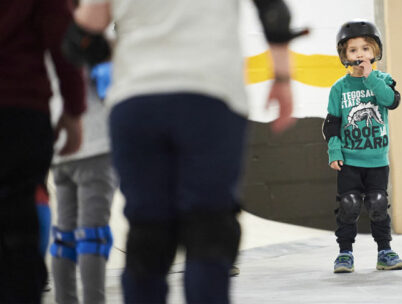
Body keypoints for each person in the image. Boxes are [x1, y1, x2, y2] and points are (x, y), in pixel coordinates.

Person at [64, 0, 305, 303]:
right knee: (209, 228)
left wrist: (112, 51)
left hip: (137, 100)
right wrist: (282, 79)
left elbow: (82, 34)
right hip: (209, 94)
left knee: (148, 232)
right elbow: (273, 11)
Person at [0, 0, 85, 302]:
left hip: (22, 113)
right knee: (20, 223)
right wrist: (74, 112)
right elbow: (64, 41)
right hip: (19, 112)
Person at [322, 20, 402, 273]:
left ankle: (385, 251)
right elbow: (332, 125)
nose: (360, 54)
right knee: (348, 205)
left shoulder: (383, 79)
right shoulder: (339, 88)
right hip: (350, 160)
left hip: (377, 160)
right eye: (353, 50)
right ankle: (345, 253)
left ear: (375, 52)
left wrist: (371, 77)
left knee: (378, 203)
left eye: (366, 48)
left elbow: (391, 101)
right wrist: (334, 151)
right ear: (344, 56)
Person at [49, 61, 117, 304]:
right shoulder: (89, 28)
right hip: (94, 141)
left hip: (60, 146)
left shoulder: (43, 28)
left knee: (65, 236)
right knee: (93, 236)